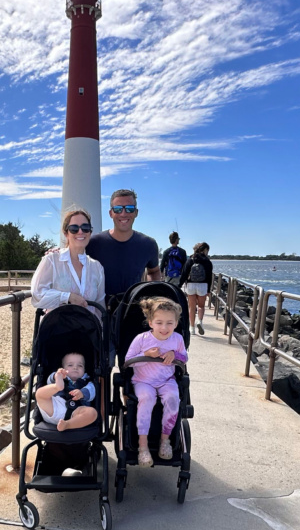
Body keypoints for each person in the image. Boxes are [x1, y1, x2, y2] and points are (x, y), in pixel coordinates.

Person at [125, 297, 187, 465]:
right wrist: (147, 355)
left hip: (166, 379)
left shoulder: (177, 339)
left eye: (169, 323)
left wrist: (175, 355)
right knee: (146, 399)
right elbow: (128, 360)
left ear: (175, 323)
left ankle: (165, 440)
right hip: (143, 380)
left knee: (173, 398)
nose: (164, 328)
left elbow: (184, 358)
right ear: (151, 322)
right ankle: (142, 445)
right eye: (159, 323)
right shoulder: (142, 339)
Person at [85, 189, 161, 300]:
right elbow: (72, 260)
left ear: (136, 213)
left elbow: (154, 271)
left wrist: (151, 293)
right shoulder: (93, 243)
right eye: (118, 209)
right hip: (99, 311)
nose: (123, 214)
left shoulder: (148, 244)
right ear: (111, 213)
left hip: (134, 311)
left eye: (129, 209)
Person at [32, 208, 105, 317]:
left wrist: (101, 331)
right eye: (74, 228)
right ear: (66, 233)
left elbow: (99, 305)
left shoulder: (96, 267)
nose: (80, 232)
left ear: (90, 232)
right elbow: (37, 295)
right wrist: (68, 297)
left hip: (88, 332)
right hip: (57, 330)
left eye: (85, 228)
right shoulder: (52, 260)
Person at [35, 352, 98, 431]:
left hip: (76, 413)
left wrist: (82, 393)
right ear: (63, 368)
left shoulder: (88, 383)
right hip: (55, 406)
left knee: (92, 413)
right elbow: (49, 380)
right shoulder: (59, 376)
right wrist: (57, 376)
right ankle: (57, 387)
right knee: (39, 393)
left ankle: (67, 425)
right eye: (70, 365)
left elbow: (91, 392)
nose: (75, 368)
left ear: (84, 369)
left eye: (80, 365)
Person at [180, 242, 213, 335]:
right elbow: (209, 277)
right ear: (205, 250)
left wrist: (179, 285)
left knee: (191, 307)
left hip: (191, 285)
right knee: (201, 306)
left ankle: (192, 328)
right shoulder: (207, 261)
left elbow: (184, 274)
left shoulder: (190, 259)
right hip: (203, 286)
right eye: (207, 250)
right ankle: (200, 321)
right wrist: (208, 290)